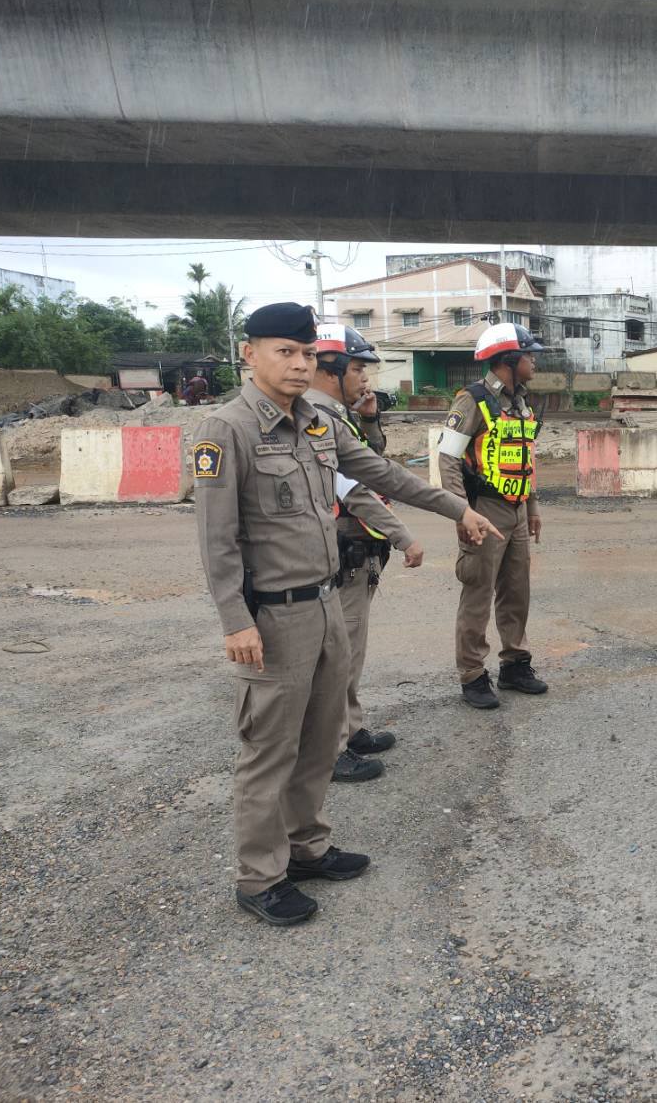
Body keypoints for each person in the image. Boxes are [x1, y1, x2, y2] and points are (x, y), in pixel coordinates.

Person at [193, 303, 503, 927]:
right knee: (269, 750)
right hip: (272, 616)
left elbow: (382, 475)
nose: (299, 364)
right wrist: (235, 620)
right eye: (285, 351)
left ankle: (306, 847)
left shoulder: (317, 424)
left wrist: (456, 509)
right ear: (250, 354)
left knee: (319, 740)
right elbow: (216, 539)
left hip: (327, 601)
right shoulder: (226, 429)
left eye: (308, 354)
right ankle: (260, 877)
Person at [309, 323, 413, 784]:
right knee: (339, 658)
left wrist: (369, 420)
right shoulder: (316, 419)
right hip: (344, 547)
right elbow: (353, 488)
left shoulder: (338, 416)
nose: (365, 379)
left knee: (352, 651)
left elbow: (370, 462)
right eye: (357, 369)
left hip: (360, 548)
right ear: (330, 370)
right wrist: (402, 535)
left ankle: (349, 730)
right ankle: (330, 751)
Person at [436, 322, 549, 710]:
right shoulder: (472, 400)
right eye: (528, 354)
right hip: (483, 508)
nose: (534, 361)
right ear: (509, 359)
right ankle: (472, 674)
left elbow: (525, 458)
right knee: (478, 593)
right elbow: (448, 459)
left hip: (516, 510)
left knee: (517, 591)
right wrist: (460, 511)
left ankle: (515, 664)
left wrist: (532, 507)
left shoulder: (521, 403)